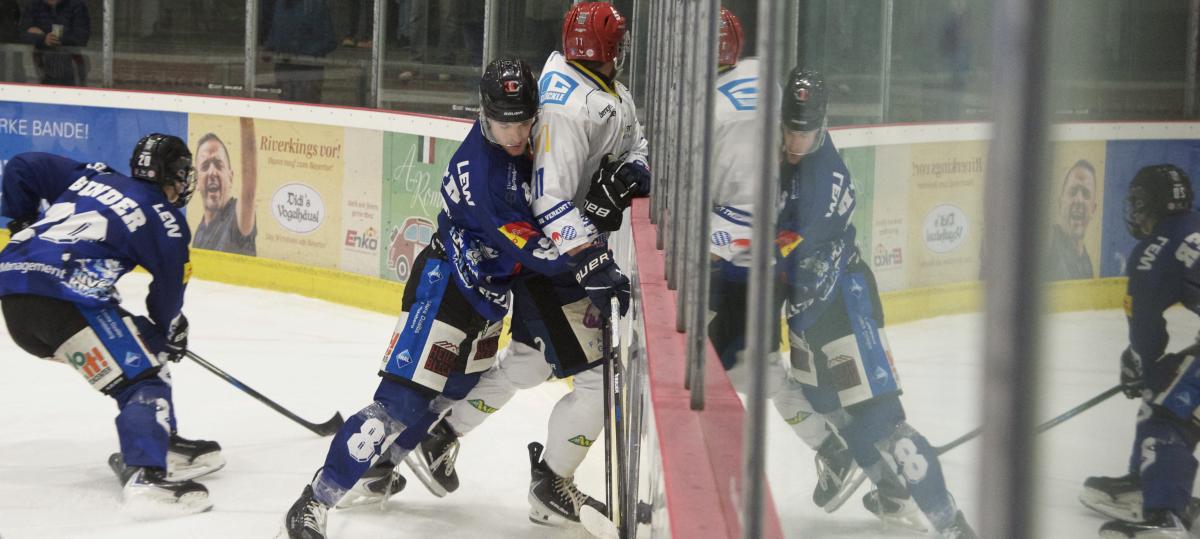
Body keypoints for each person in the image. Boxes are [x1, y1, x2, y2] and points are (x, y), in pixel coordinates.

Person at [278, 55, 630, 539]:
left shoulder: (522, 145)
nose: (517, 134)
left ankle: (382, 468)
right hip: (446, 288)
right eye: (506, 124)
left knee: (453, 395)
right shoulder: (486, 177)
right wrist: (592, 255)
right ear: (484, 113)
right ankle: (313, 501)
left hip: (487, 299)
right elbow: (542, 253)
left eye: (525, 121)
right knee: (399, 403)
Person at [396, 2, 650, 527]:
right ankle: (552, 482)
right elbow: (549, 202)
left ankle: (441, 433)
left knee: (531, 362)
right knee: (602, 381)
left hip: (557, 260)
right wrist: (592, 262)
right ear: (611, 47)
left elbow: (637, 146)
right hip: (553, 264)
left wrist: (629, 175)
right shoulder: (566, 107)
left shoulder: (600, 91)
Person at [774, 67, 976, 538]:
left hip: (844, 304)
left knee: (881, 421)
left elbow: (779, 251)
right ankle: (893, 489)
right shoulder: (782, 155)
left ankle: (950, 522)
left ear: (822, 125)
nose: (793, 140)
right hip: (807, 311)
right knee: (824, 403)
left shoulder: (826, 181)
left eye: (803, 132)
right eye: (788, 127)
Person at [0, 134, 223, 516]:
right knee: (143, 379)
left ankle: (159, 442)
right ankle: (146, 477)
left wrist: (22, 219)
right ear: (174, 176)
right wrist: (171, 329)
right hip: (66, 299)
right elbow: (167, 294)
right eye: (184, 174)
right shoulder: (165, 220)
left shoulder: (93, 176)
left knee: (143, 345)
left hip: (14, 291)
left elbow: (21, 166)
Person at [704, 7, 864, 516]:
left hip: (761, 267)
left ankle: (719, 479)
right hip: (759, 265)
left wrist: (718, 238)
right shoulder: (764, 83)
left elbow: (760, 224)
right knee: (759, 372)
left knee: (725, 372)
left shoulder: (720, 106)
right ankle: (836, 448)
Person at [1079, 165, 1200, 538]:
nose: (1135, 211)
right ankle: (1149, 479)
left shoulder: (1154, 249)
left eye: (1138, 203)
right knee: (1171, 386)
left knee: (1166, 412)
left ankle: (1165, 514)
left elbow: (1147, 332)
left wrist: (1140, 363)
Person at [192, 119, 258, 256]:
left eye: (218, 164)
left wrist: (246, 118)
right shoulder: (199, 233)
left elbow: (249, 191)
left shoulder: (237, 217)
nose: (212, 172)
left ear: (230, 176)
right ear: (197, 181)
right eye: (205, 166)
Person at [263, 0, 337, 103]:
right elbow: (276, 29)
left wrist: (298, 54)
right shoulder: (280, 4)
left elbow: (329, 41)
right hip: (284, 71)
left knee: (305, 111)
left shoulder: (314, 5)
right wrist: (269, 48)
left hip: (307, 74)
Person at [1045, 159, 1098, 281]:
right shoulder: (1046, 243)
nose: (1079, 200)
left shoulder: (1086, 263)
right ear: (1060, 203)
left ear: (1093, 210)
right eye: (1073, 191)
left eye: (1086, 194)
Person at [18, 0, 89, 86]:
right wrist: (42, 39)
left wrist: (54, 39)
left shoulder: (77, 6)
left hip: (71, 66)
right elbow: (21, 35)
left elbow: (82, 38)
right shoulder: (33, 6)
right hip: (41, 67)